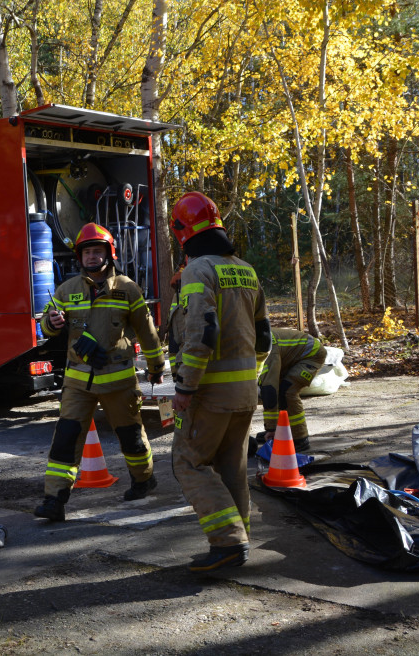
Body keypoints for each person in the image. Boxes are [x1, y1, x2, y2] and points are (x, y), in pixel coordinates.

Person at [34, 222, 165, 522]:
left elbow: (147, 332)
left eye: (97, 251)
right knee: (66, 438)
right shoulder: (66, 290)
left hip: (119, 382)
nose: (92, 257)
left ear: (109, 253)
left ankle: (144, 480)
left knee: (131, 437)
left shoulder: (128, 289)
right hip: (78, 383)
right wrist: (50, 324)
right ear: (79, 257)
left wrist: (156, 367)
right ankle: (55, 500)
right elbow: (48, 325)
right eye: (87, 252)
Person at [168, 192, 271, 572]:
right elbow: (264, 338)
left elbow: (201, 332)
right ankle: (239, 539)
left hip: (209, 392)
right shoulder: (246, 269)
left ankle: (228, 542)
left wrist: (184, 387)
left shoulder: (198, 271)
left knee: (188, 462)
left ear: (182, 231)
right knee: (232, 467)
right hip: (245, 392)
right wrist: (252, 378)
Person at [254, 327, 326, 453]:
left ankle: (300, 438)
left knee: (287, 392)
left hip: (312, 355)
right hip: (290, 358)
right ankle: (281, 430)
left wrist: (270, 428)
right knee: (278, 389)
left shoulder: (267, 347)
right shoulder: (256, 340)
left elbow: (269, 389)